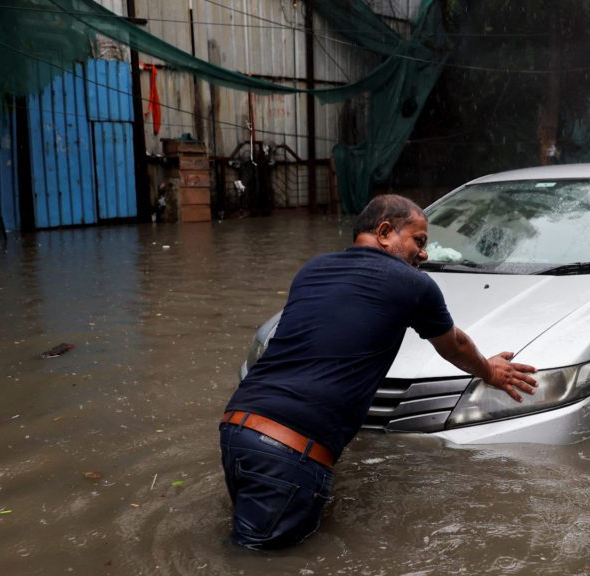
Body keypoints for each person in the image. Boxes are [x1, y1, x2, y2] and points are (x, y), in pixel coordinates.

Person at [219, 194, 538, 549]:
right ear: (385, 232)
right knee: (259, 563)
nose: (425, 254)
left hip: (238, 428)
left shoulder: (312, 269)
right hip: (288, 452)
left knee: (253, 544)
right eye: (419, 240)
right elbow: (455, 345)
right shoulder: (413, 284)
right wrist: (490, 371)